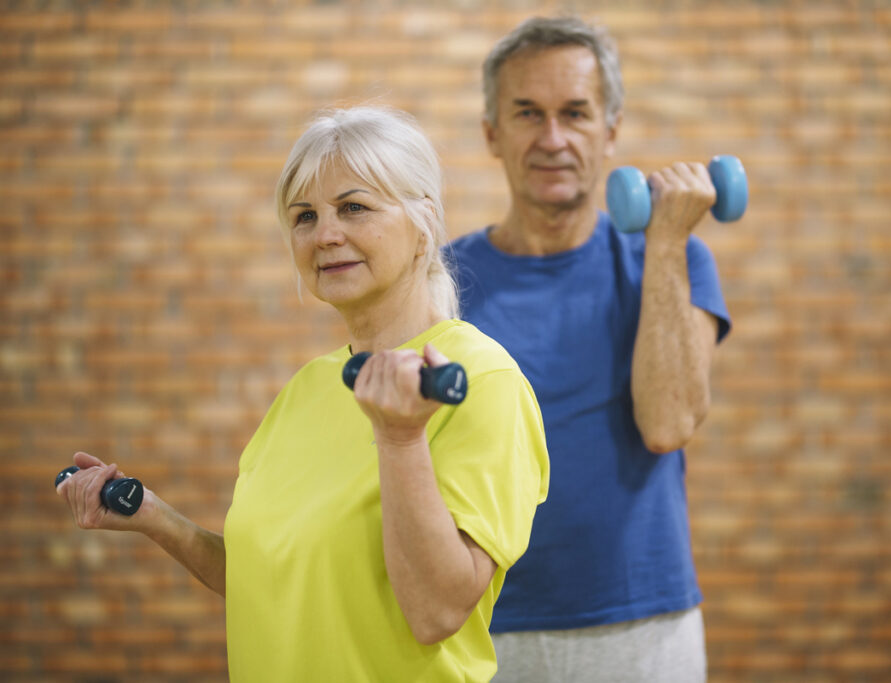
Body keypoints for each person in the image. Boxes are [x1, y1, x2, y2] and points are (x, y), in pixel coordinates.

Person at [57, 106, 549, 682]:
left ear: (425, 223)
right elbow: (273, 579)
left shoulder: (483, 381)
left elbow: (436, 611)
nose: (326, 235)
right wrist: (155, 518)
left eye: (354, 207)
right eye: (305, 216)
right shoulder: (307, 387)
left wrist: (399, 437)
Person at [445, 16, 732, 682]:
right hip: (481, 625)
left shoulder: (677, 259)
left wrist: (662, 242)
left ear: (611, 130)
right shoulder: (440, 284)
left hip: (641, 626)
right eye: (527, 113)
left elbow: (668, 424)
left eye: (575, 113)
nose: (553, 138)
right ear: (492, 133)